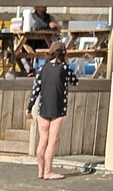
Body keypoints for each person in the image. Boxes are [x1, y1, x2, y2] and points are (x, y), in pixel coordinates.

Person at [25, 41, 78, 179]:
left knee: (43, 140)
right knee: (52, 141)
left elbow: (36, 89)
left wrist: (29, 107)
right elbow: (75, 81)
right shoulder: (64, 68)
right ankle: (48, 171)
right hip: (58, 108)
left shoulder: (43, 69)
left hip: (44, 108)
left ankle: (41, 171)